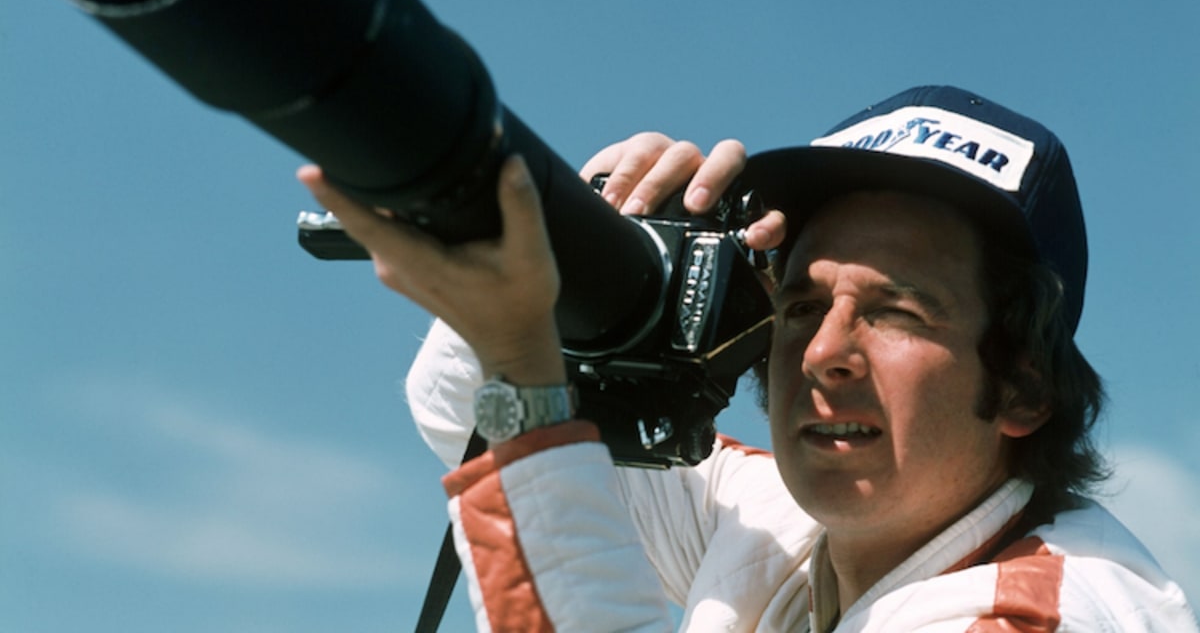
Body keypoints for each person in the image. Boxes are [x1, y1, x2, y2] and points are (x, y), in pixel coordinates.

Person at [300, 85, 1199, 632]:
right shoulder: (788, 527)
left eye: (895, 312)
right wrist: (578, 262)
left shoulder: (1050, 615)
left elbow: (526, 446)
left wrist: (526, 367)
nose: (825, 353)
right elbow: (466, 411)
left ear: (1024, 385)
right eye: (801, 304)